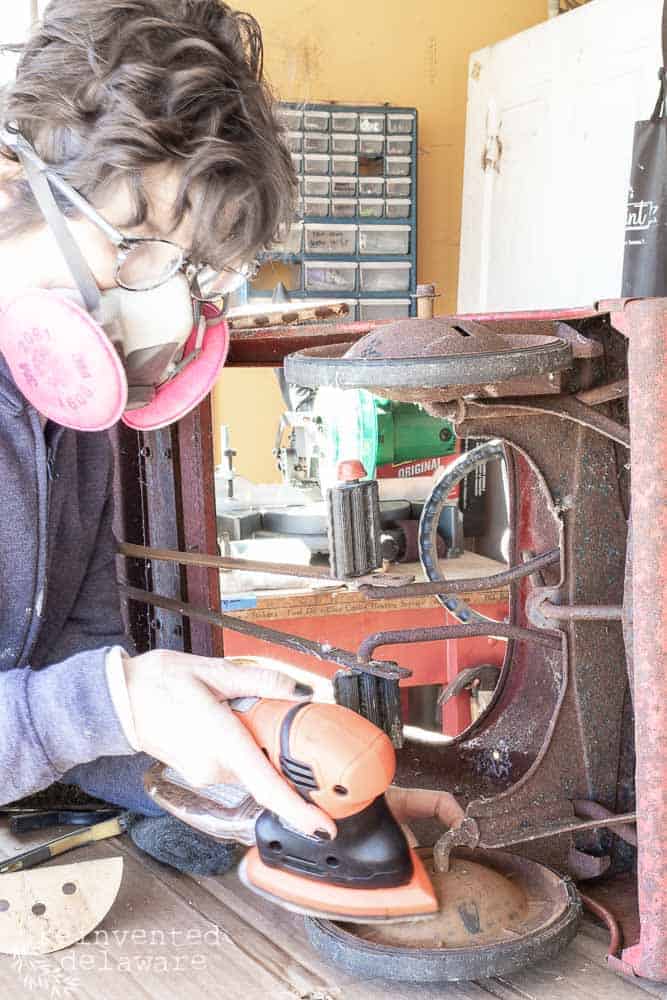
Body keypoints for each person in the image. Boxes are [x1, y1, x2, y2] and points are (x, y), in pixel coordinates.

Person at [0, 0, 462, 876]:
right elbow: (81, 705)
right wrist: (114, 702)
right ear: (8, 182)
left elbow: (71, 673)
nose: (154, 306)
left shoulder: (69, 414)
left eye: (184, 271)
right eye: (131, 246)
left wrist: (265, 781)